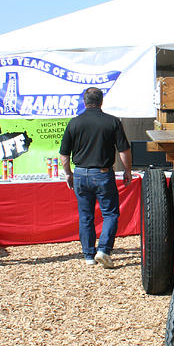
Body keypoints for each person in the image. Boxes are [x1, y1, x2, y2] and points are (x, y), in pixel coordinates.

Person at [59, 87, 132, 268]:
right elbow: (124, 150)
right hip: (102, 174)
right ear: (101, 102)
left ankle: (89, 256)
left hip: (81, 174)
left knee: (86, 216)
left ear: (84, 102)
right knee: (110, 214)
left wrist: (68, 174)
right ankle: (104, 250)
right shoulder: (112, 122)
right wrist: (127, 170)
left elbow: (64, 154)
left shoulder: (74, 123)